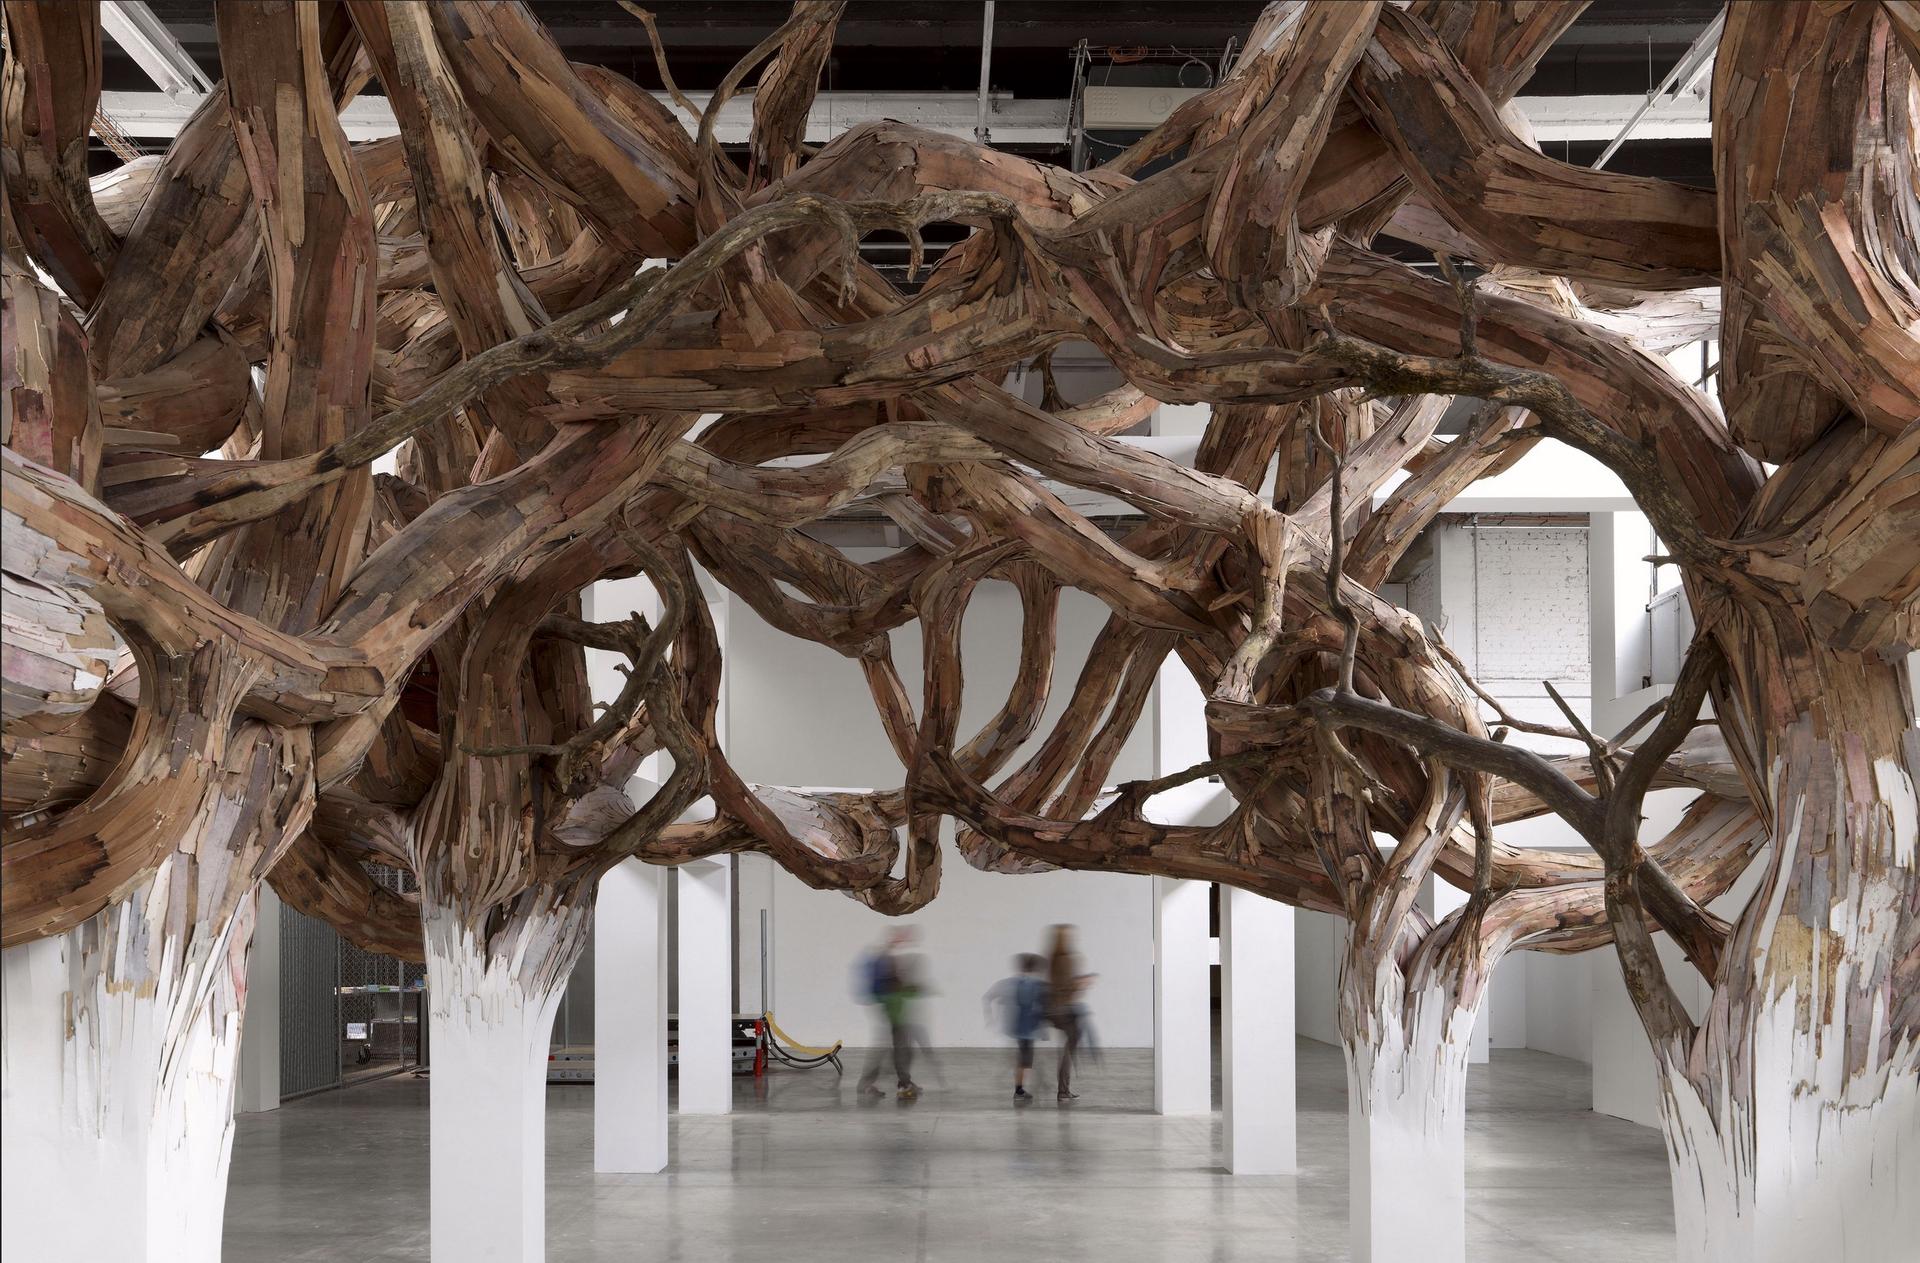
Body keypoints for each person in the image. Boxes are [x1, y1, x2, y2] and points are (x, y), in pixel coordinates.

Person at [854, 928, 919, 1100]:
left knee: (899, 1048)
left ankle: (903, 1082)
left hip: (892, 1009)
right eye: (900, 938)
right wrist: (910, 988)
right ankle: (892, 1084)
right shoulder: (885, 959)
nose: (904, 940)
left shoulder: (885, 957)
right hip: (892, 1010)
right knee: (897, 1048)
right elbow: (893, 985)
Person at [984, 953, 1048, 1102]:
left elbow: (988, 997)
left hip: (1020, 1028)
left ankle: (1024, 1087)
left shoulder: (1009, 983)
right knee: (1025, 1060)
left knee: (1026, 1060)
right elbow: (1041, 1007)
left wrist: (991, 1018)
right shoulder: (1037, 985)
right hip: (1026, 1029)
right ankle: (1020, 1090)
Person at [1044, 924, 1095, 1102]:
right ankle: (1063, 1090)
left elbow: (1056, 985)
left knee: (1070, 1046)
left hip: (1052, 1010)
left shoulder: (1052, 958)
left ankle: (1064, 1089)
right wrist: (1082, 983)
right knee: (1070, 1047)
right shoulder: (1066, 959)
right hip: (1063, 1010)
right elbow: (1067, 989)